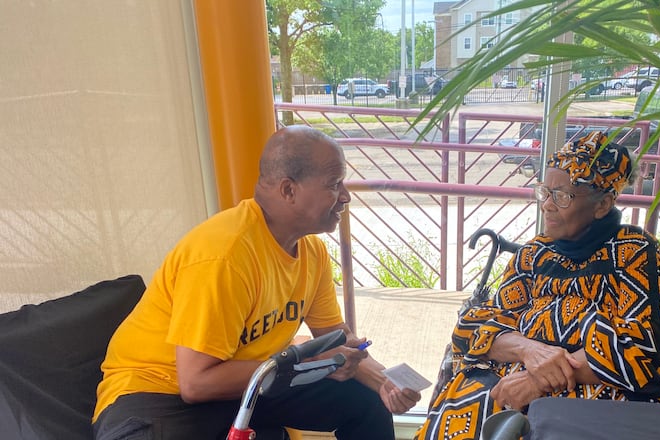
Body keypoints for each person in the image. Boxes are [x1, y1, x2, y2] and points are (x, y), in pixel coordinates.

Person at [92, 125, 420, 440]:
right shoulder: (225, 255)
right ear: (289, 190)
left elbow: (334, 339)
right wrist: (303, 362)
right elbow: (196, 384)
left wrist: (383, 383)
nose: (346, 196)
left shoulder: (312, 251)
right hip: (157, 392)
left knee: (365, 403)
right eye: (334, 184)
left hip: (248, 385)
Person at [414, 131, 660, 440]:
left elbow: (642, 349)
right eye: (544, 192)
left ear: (602, 204)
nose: (546, 206)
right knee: (466, 408)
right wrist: (530, 350)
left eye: (561, 196)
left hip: (600, 391)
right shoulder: (534, 255)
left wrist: (539, 380)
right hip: (513, 382)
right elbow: (473, 328)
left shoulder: (635, 253)